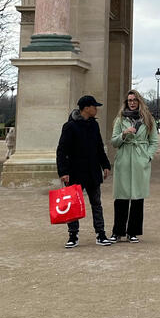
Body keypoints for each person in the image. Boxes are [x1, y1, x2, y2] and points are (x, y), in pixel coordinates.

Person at [56, 94, 113, 249]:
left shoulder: (94, 125)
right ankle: (73, 235)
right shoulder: (69, 126)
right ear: (86, 108)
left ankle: (100, 233)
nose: (97, 109)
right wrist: (63, 171)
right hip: (75, 172)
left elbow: (99, 147)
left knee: (96, 203)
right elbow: (61, 151)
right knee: (73, 205)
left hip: (93, 170)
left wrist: (106, 165)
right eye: (94, 106)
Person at [110, 89, 159, 243]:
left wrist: (148, 157)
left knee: (138, 197)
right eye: (129, 100)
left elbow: (154, 141)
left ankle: (133, 231)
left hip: (140, 159)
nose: (132, 103)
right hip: (124, 158)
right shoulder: (120, 120)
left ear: (139, 102)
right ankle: (118, 231)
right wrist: (124, 134)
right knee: (121, 197)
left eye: (134, 100)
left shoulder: (148, 119)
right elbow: (114, 142)